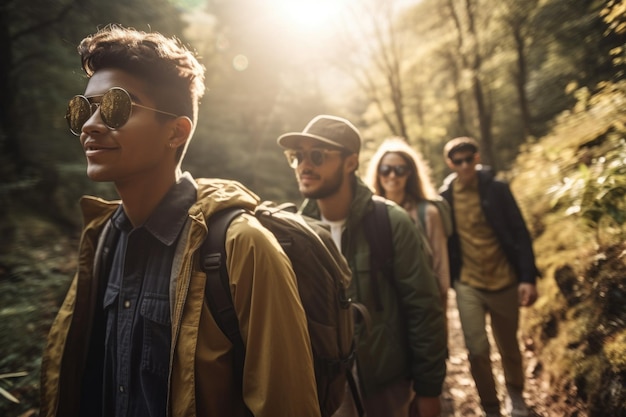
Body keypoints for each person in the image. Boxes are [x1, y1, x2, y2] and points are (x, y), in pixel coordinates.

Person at [40, 25, 321, 417]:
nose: (89, 125)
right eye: (84, 109)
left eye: (116, 107)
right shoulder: (102, 239)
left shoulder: (240, 247)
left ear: (176, 132)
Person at [277, 115, 447, 417]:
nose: (304, 165)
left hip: (387, 387)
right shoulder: (296, 233)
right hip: (326, 390)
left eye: (317, 155)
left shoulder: (392, 223)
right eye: (297, 156)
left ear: (350, 163)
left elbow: (424, 310)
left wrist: (429, 390)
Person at [439, 137, 540, 417]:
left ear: (477, 157)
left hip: (504, 279)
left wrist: (528, 277)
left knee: (508, 346)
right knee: (477, 349)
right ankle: (491, 407)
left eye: (469, 158)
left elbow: (520, 231)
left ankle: (516, 395)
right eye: (458, 161)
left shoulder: (497, 189)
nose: (464, 165)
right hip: (468, 282)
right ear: (450, 163)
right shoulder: (444, 198)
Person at [365, 137, 451, 311]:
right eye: (385, 169)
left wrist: (440, 305)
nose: (392, 176)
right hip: (383, 305)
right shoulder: (367, 213)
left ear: (409, 173)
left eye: (400, 170)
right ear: (377, 172)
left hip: (422, 302)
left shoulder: (427, 213)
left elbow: (440, 265)